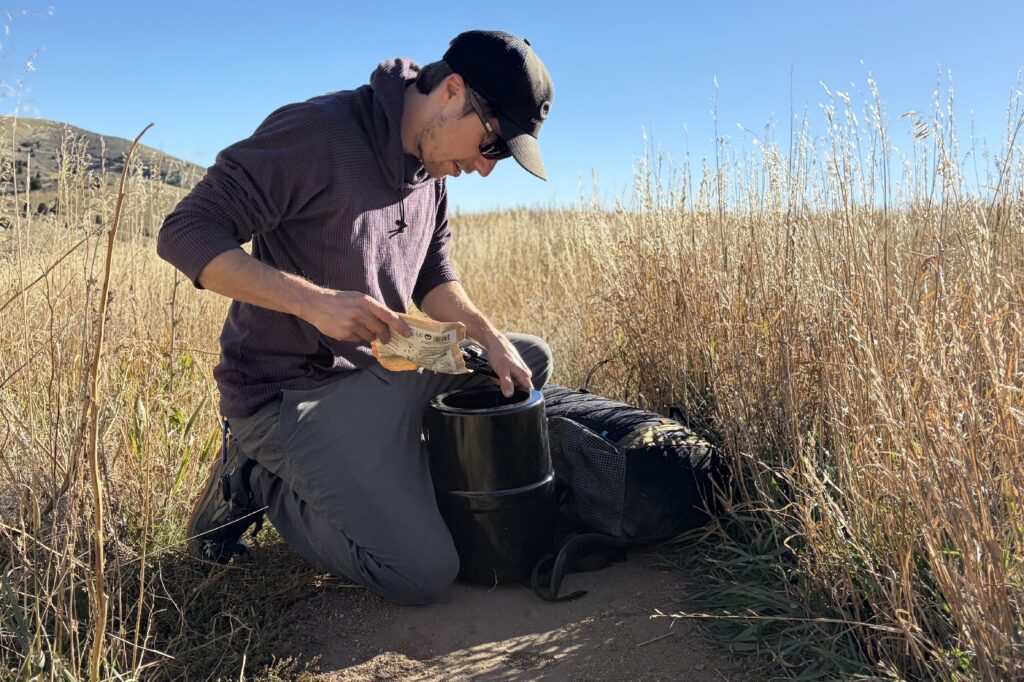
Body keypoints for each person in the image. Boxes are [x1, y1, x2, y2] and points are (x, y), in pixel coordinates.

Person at [156, 30, 555, 605]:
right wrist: (311, 302)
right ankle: (255, 477)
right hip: (292, 392)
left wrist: (486, 334)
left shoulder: (433, 165)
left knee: (524, 361)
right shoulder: (318, 133)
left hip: (390, 358)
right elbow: (185, 232)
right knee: (421, 571)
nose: (485, 168)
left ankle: (395, 471)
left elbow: (432, 274)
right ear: (451, 90)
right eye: (492, 143)